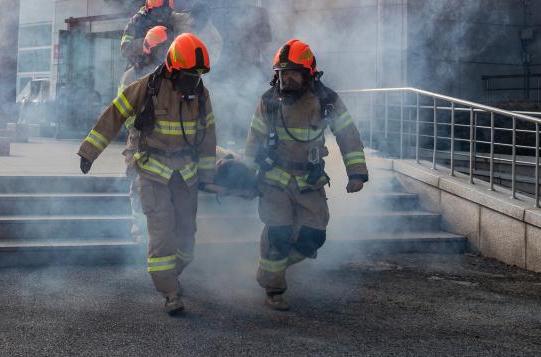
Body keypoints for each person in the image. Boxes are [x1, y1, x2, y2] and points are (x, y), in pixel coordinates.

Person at [77, 33, 217, 315]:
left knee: (186, 239)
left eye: (197, 75)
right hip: (153, 174)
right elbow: (115, 114)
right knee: (162, 233)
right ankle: (170, 293)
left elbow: (208, 136)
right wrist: (89, 151)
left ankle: (172, 275)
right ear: (174, 69)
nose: (193, 80)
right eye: (188, 75)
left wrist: (207, 177)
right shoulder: (148, 87)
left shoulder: (201, 94)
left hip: (185, 176)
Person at [244, 38, 369, 311]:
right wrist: (246, 178)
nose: (286, 80)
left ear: (309, 73)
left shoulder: (327, 101)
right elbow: (253, 141)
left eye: (292, 74)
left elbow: (348, 135)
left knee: (314, 237)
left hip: (309, 181)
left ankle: (269, 270)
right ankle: (274, 289)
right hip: (274, 180)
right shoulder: (269, 101)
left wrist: (356, 173)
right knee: (278, 234)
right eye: (282, 74)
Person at [118, 25, 172, 243]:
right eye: (161, 49)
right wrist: (140, 124)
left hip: (165, 141)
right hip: (139, 139)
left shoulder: (171, 75)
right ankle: (140, 230)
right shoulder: (131, 76)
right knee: (138, 183)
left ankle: (160, 231)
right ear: (150, 49)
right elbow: (122, 110)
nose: (164, 54)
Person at [120, 0, 190, 68]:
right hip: (140, 65)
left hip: (166, 64)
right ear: (148, 10)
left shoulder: (173, 17)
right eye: (157, 12)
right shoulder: (136, 21)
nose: (161, 17)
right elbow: (124, 49)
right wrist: (149, 41)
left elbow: (185, 22)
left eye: (165, 12)